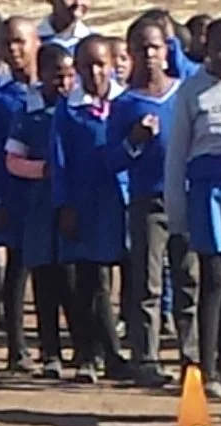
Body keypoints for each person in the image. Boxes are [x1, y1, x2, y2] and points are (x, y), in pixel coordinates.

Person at [164, 17, 221, 398]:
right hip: (207, 193)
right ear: (207, 47)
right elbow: (177, 154)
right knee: (212, 278)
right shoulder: (191, 91)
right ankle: (207, 365)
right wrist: (176, 210)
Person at [109, 16, 193, 387]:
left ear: (166, 50)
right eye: (141, 48)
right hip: (147, 201)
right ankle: (147, 358)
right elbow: (113, 159)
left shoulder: (184, 93)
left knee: (189, 279)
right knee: (148, 282)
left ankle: (192, 355)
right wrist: (135, 139)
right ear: (130, 53)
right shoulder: (125, 103)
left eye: (155, 47)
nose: (149, 55)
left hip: (185, 198)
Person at [52, 34, 128, 382]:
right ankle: (90, 353)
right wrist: (63, 203)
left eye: (101, 64)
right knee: (89, 279)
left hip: (120, 201)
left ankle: (122, 353)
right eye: (87, 66)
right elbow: (59, 159)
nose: (95, 72)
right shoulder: (69, 109)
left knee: (123, 279)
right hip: (83, 203)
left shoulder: (127, 103)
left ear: (113, 65)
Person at [6, 41, 76, 378]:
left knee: (74, 279)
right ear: (42, 75)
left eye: (68, 76)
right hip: (39, 206)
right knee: (45, 279)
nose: (63, 84)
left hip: (74, 206)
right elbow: (12, 161)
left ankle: (83, 347)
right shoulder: (28, 113)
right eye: (56, 76)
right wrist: (44, 170)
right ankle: (50, 351)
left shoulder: (79, 109)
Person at [0, 16, 41, 371]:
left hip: (50, 190)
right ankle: (16, 346)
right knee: (17, 267)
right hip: (15, 193)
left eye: (20, 41)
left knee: (60, 270)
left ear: (35, 42)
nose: (14, 50)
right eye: (6, 44)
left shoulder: (56, 87)